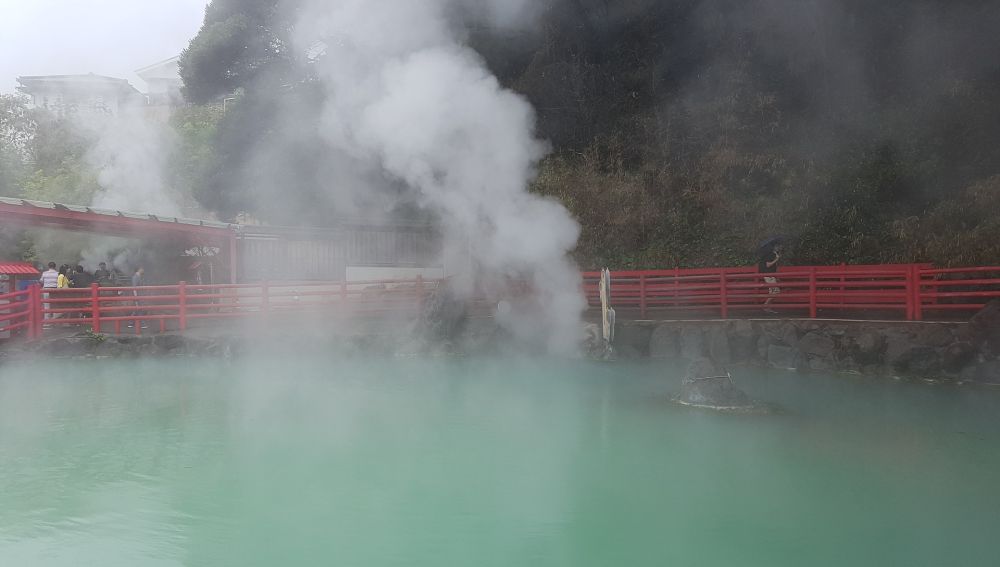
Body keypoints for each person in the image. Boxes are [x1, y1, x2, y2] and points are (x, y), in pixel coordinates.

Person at [758, 244, 782, 313]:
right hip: (769, 275)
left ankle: (767, 307)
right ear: (773, 247)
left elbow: (774, 267)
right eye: (777, 246)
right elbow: (768, 265)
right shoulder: (770, 254)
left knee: (772, 292)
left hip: (771, 275)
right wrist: (776, 259)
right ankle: (765, 305)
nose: (779, 247)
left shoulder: (773, 254)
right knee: (776, 291)